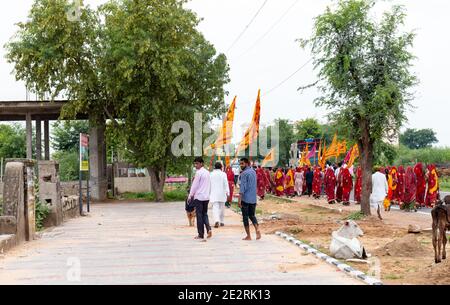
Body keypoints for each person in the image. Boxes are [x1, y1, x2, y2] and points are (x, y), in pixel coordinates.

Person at [188, 157, 212, 241]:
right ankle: (209, 229)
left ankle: (200, 234)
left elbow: (194, 186)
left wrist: (190, 195)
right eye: (195, 163)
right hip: (206, 197)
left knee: (199, 216)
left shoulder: (198, 173)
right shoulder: (208, 173)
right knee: (204, 214)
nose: (195, 165)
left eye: (197, 163)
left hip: (199, 197)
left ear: (202, 163)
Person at [238, 158, 261, 241]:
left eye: (242, 164)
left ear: (247, 164)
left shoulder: (244, 173)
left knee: (245, 217)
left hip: (245, 199)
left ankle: (248, 236)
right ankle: (257, 228)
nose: (241, 165)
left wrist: (239, 199)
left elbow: (242, 188)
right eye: (240, 164)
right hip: (253, 199)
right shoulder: (254, 172)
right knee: (252, 215)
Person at [210, 162, 230, 228]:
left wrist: (208, 193)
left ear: (214, 167)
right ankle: (221, 221)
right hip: (222, 194)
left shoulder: (211, 174)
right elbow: (226, 183)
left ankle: (216, 220)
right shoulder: (223, 174)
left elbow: (209, 185)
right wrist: (228, 192)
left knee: (215, 208)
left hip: (213, 194)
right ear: (221, 167)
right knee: (222, 208)